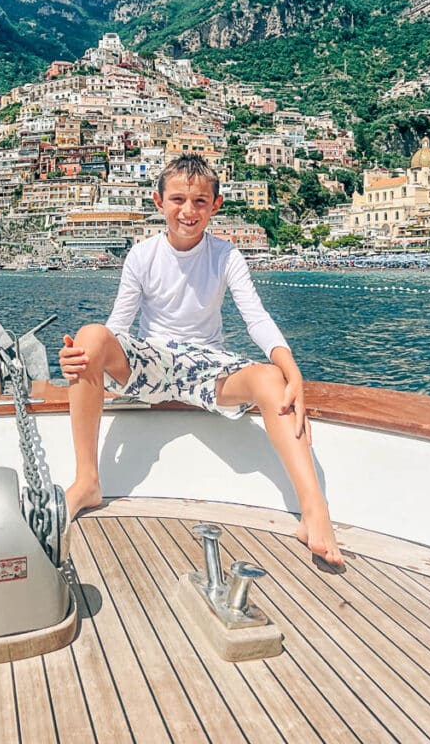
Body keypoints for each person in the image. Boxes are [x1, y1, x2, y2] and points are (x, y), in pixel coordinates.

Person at [59, 153, 344, 567]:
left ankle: (313, 509)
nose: (187, 211)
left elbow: (256, 317)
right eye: (177, 200)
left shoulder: (226, 255)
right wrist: (82, 357)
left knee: (269, 379)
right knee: (89, 337)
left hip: (207, 366)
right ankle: (87, 480)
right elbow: (117, 328)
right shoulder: (142, 256)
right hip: (153, 359)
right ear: (159, 203)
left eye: (198, 202)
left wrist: (291, 370)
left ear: (216, 205)